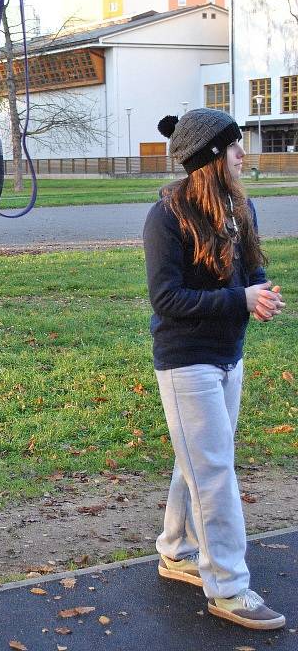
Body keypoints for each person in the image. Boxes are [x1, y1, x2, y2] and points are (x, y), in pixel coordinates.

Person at [143, 109, 286, 630]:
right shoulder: (166, 217)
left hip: (230, 355)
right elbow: (168, 299)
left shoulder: (238, 207)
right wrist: (238, 299)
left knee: (200, 461)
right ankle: (228, 587)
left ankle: (177, 549)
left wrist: (261, 292)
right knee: (214, 471)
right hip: (187, 362)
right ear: (209, 159)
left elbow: (251, 269)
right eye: (234, 147)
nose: (242, 154)